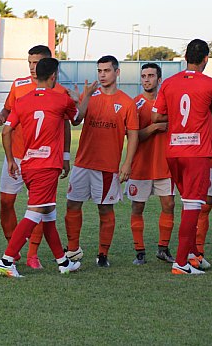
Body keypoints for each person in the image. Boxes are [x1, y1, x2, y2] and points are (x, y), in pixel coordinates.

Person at [0, 58, 93, 277]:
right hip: (47, 166)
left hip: (28, 163)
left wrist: (11, 160)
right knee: (35, 213)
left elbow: (5, 131)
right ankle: (6, 260)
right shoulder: (60, 100)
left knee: (48, 213)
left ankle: (63, 262)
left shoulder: (22, 100)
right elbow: (78, 118)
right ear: (54, 76)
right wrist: (87, 96)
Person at [0, 45, 72, 269]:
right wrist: (1, 115)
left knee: (40, 207)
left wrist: (65, 155)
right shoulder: (18, 85)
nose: (32, 68)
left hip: (42, 159)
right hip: (18, 156)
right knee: (9, 203)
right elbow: (8, 112)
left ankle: (33, 254)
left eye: (36, 63)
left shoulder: (60, 93)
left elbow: (66, 124)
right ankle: (14, 252)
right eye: (29, 63)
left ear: (48, 65)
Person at [65, 55, 139, 268]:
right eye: (100, 71)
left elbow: (132, 135)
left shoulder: (126, 102)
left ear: (117, 72)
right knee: (72, 204)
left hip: (107, 167)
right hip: (82, 163)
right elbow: (76, 120)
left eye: (107, 70)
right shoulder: (91, 95)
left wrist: (127, 164)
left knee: (105, 209)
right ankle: (72, 250)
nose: (102, 75)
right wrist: (82, 99)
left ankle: (103, 254)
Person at [152, 39, 212, 275]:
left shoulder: (168, 83)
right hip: (197, 153)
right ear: (205, 59)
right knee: (193, 206)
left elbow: (157, 117)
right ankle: (181, 263)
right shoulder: (209, 84)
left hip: (174, 152)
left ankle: (188, 254)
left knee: (188, 203)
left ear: (185, 57)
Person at [125, 63, 175, 265]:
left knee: (169, 205)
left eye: (151, 76)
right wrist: (154, 126)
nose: (146, 79)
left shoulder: (169, 103)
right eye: (144, 76)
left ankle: (163, 249)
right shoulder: (134, 104)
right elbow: (134, 136)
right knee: (138, 207)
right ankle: (140, 252)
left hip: (165, 164)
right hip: (141, 165)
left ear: (159, 79)